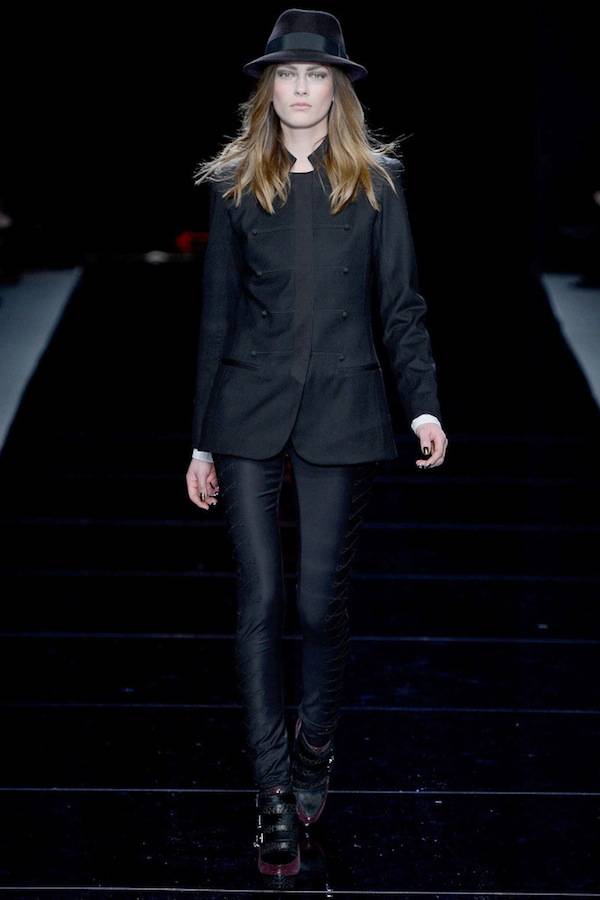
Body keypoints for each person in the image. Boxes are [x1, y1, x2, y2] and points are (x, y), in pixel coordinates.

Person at [185, 8, 448, 877]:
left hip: (345, 410)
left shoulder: (375, 183)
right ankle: (271, 791)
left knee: (316, 605)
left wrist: (423, 408)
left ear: (337, 91)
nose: (301, 89)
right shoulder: (236, 183)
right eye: (288, 76)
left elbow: (401, 305)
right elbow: (216, 317)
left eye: (317, 75)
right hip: (246, 411)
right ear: (270, 90)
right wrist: (200, 443)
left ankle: (315, 745)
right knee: (260, 600)